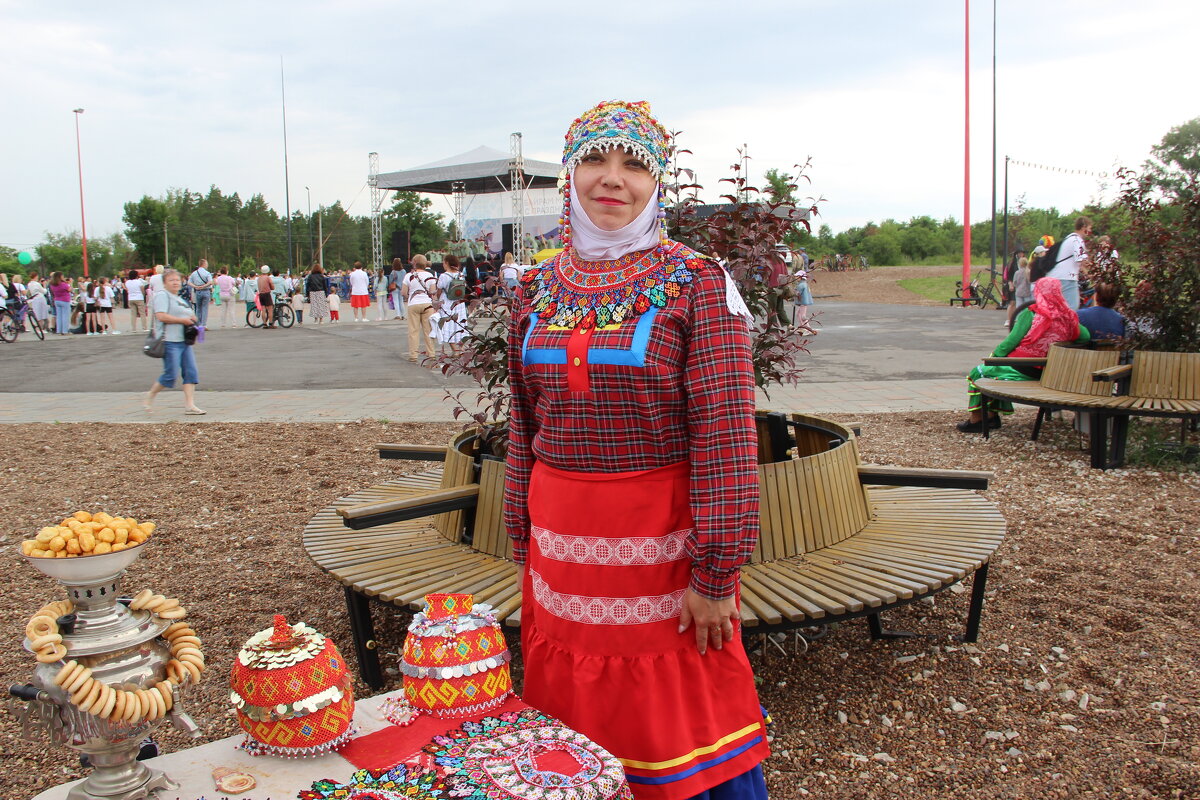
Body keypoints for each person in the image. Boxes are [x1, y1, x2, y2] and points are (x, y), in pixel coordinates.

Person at [503, 100, 769, 799]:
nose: (611, 179)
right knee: (572, 716)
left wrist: (716, 575)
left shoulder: (696, 282)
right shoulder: (536, 286)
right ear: (570, 175)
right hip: (561, 544)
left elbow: (727, 435)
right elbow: (522, 423)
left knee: (677, 713)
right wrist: (518, 534)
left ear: (659, 183)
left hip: (665, 542)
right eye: (594, 160)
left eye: (634, 165)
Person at [958, 278, 1092, 433]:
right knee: (993, 374)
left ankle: (978, 420)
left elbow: (1011, 342)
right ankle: (990, 416)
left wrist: (994, 357)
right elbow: (1085, 337)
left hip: (1022, 368)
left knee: (978, 373)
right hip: (1049, 373)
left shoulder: (1033, 313)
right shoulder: (1067, 317)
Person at [144, 269, 205, 415]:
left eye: (177, 279)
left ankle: (190, 405)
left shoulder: (179, 298)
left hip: (184, 341)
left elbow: (190, 315)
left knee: (191, 372)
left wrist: (193, 321)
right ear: (164, 283)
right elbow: (161, 316)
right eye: (171, 280)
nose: (175, 282)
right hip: (169, 341)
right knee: (170, 374)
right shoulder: (162, 296)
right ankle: (150, 395)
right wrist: (182, 320)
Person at [1045, 217, 1091, 310]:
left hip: (1055, 276)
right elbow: (1083, 261)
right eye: (1089, 228)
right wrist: (1094, 274)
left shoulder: (1069, 238)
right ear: (1084, 227)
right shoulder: (1077, 240)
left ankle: (1056, 324)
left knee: (1060, 308)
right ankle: (1063, 324)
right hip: (1066, 278)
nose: (1090, 231)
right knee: (1072, 307)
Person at [401, 254, 437, 362]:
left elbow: (403, 292)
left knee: (413, 330)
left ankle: (413, 355)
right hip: (427, 304)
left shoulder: (409, 276)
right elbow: (433, 293)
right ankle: (431, 353)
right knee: (428, 330)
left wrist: (409, 297)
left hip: (414, 304)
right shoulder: (430, 276)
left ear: (414, 263)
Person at [433, 253, 469, 355]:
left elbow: (439, 290)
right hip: (459, 302)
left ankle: (455, 350)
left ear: (447, 263)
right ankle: (460, 347)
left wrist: (437, 301)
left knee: (448, 324)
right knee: (460, 324)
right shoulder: (460, 274)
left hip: (447, 302)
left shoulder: (444, 276)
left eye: (444, 262)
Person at [1008, 255, 1033, 329]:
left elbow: (1014, 282)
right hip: (1027, 291)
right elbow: (1030, 281)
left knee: (1019, 307)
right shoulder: (1028, 272)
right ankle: (1028, 320)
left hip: (1018, 291)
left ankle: (1019, 321)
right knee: (1028, 307)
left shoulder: (1017, 272)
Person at [793, 259, 816, 333]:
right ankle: (802, 326)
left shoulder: (801, 285)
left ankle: (807, 328)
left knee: (802, 316)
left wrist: (792, 293)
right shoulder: (804, 284)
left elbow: (797, 293)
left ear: (801, 277)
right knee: (798, 314)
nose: (796, 278)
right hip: (803, 302)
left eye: (797, 277)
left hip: (803, 302)